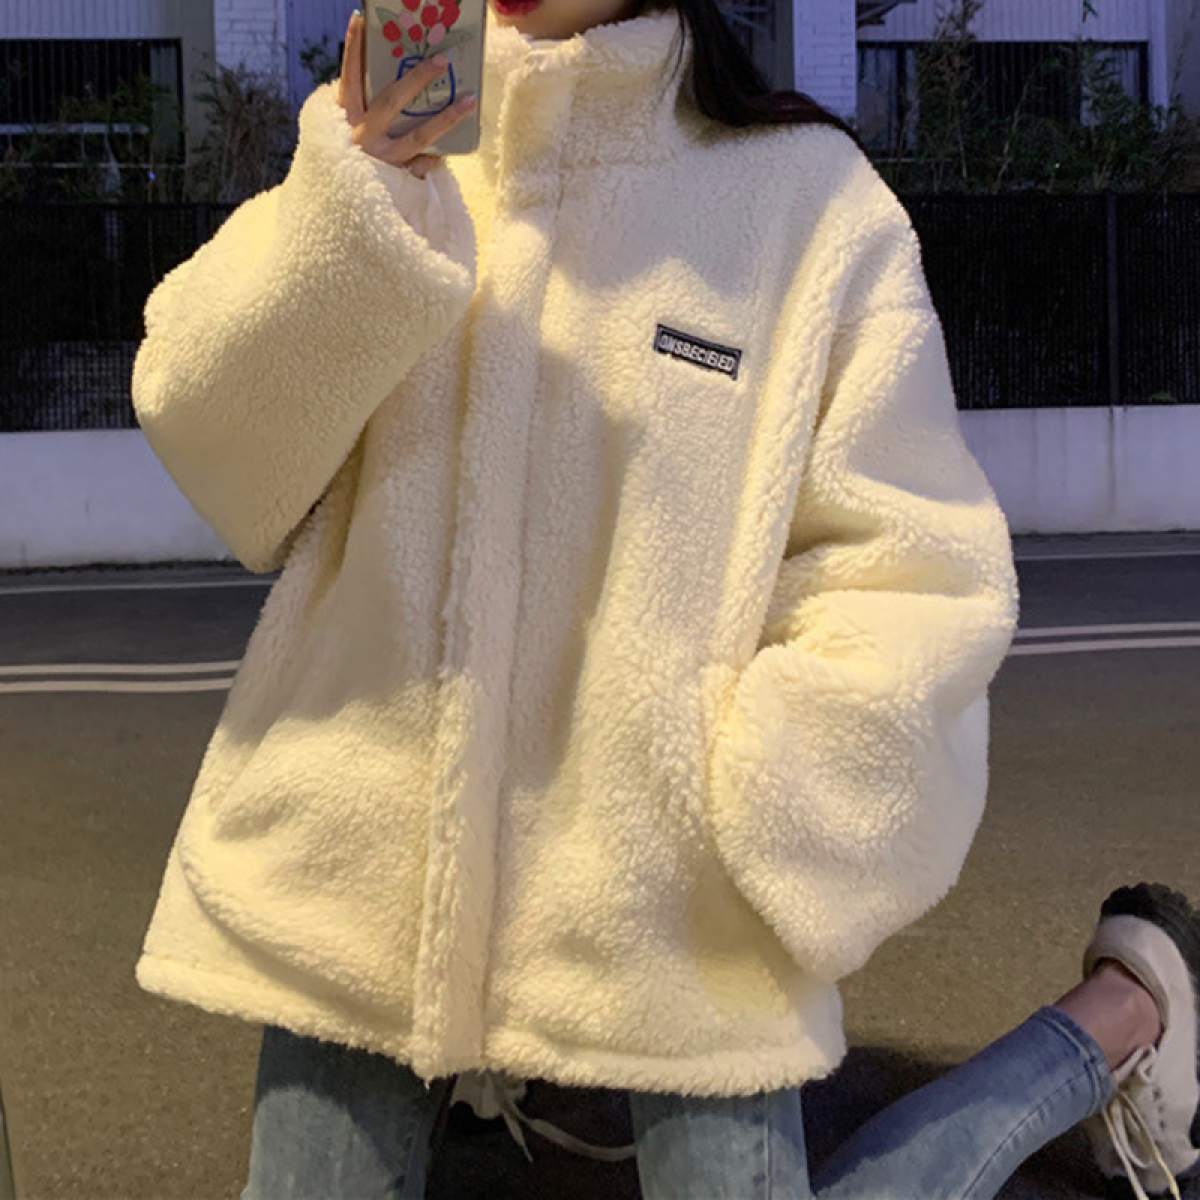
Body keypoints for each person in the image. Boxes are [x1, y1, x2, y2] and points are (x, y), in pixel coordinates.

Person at [125, 0, 1200, 1194]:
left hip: (675, 905)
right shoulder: (403, 148)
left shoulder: (801, 201)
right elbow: (227, 453)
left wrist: (752, 799)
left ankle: (1109, 1026)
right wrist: (363, 191)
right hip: (360, 868)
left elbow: (911, 568)